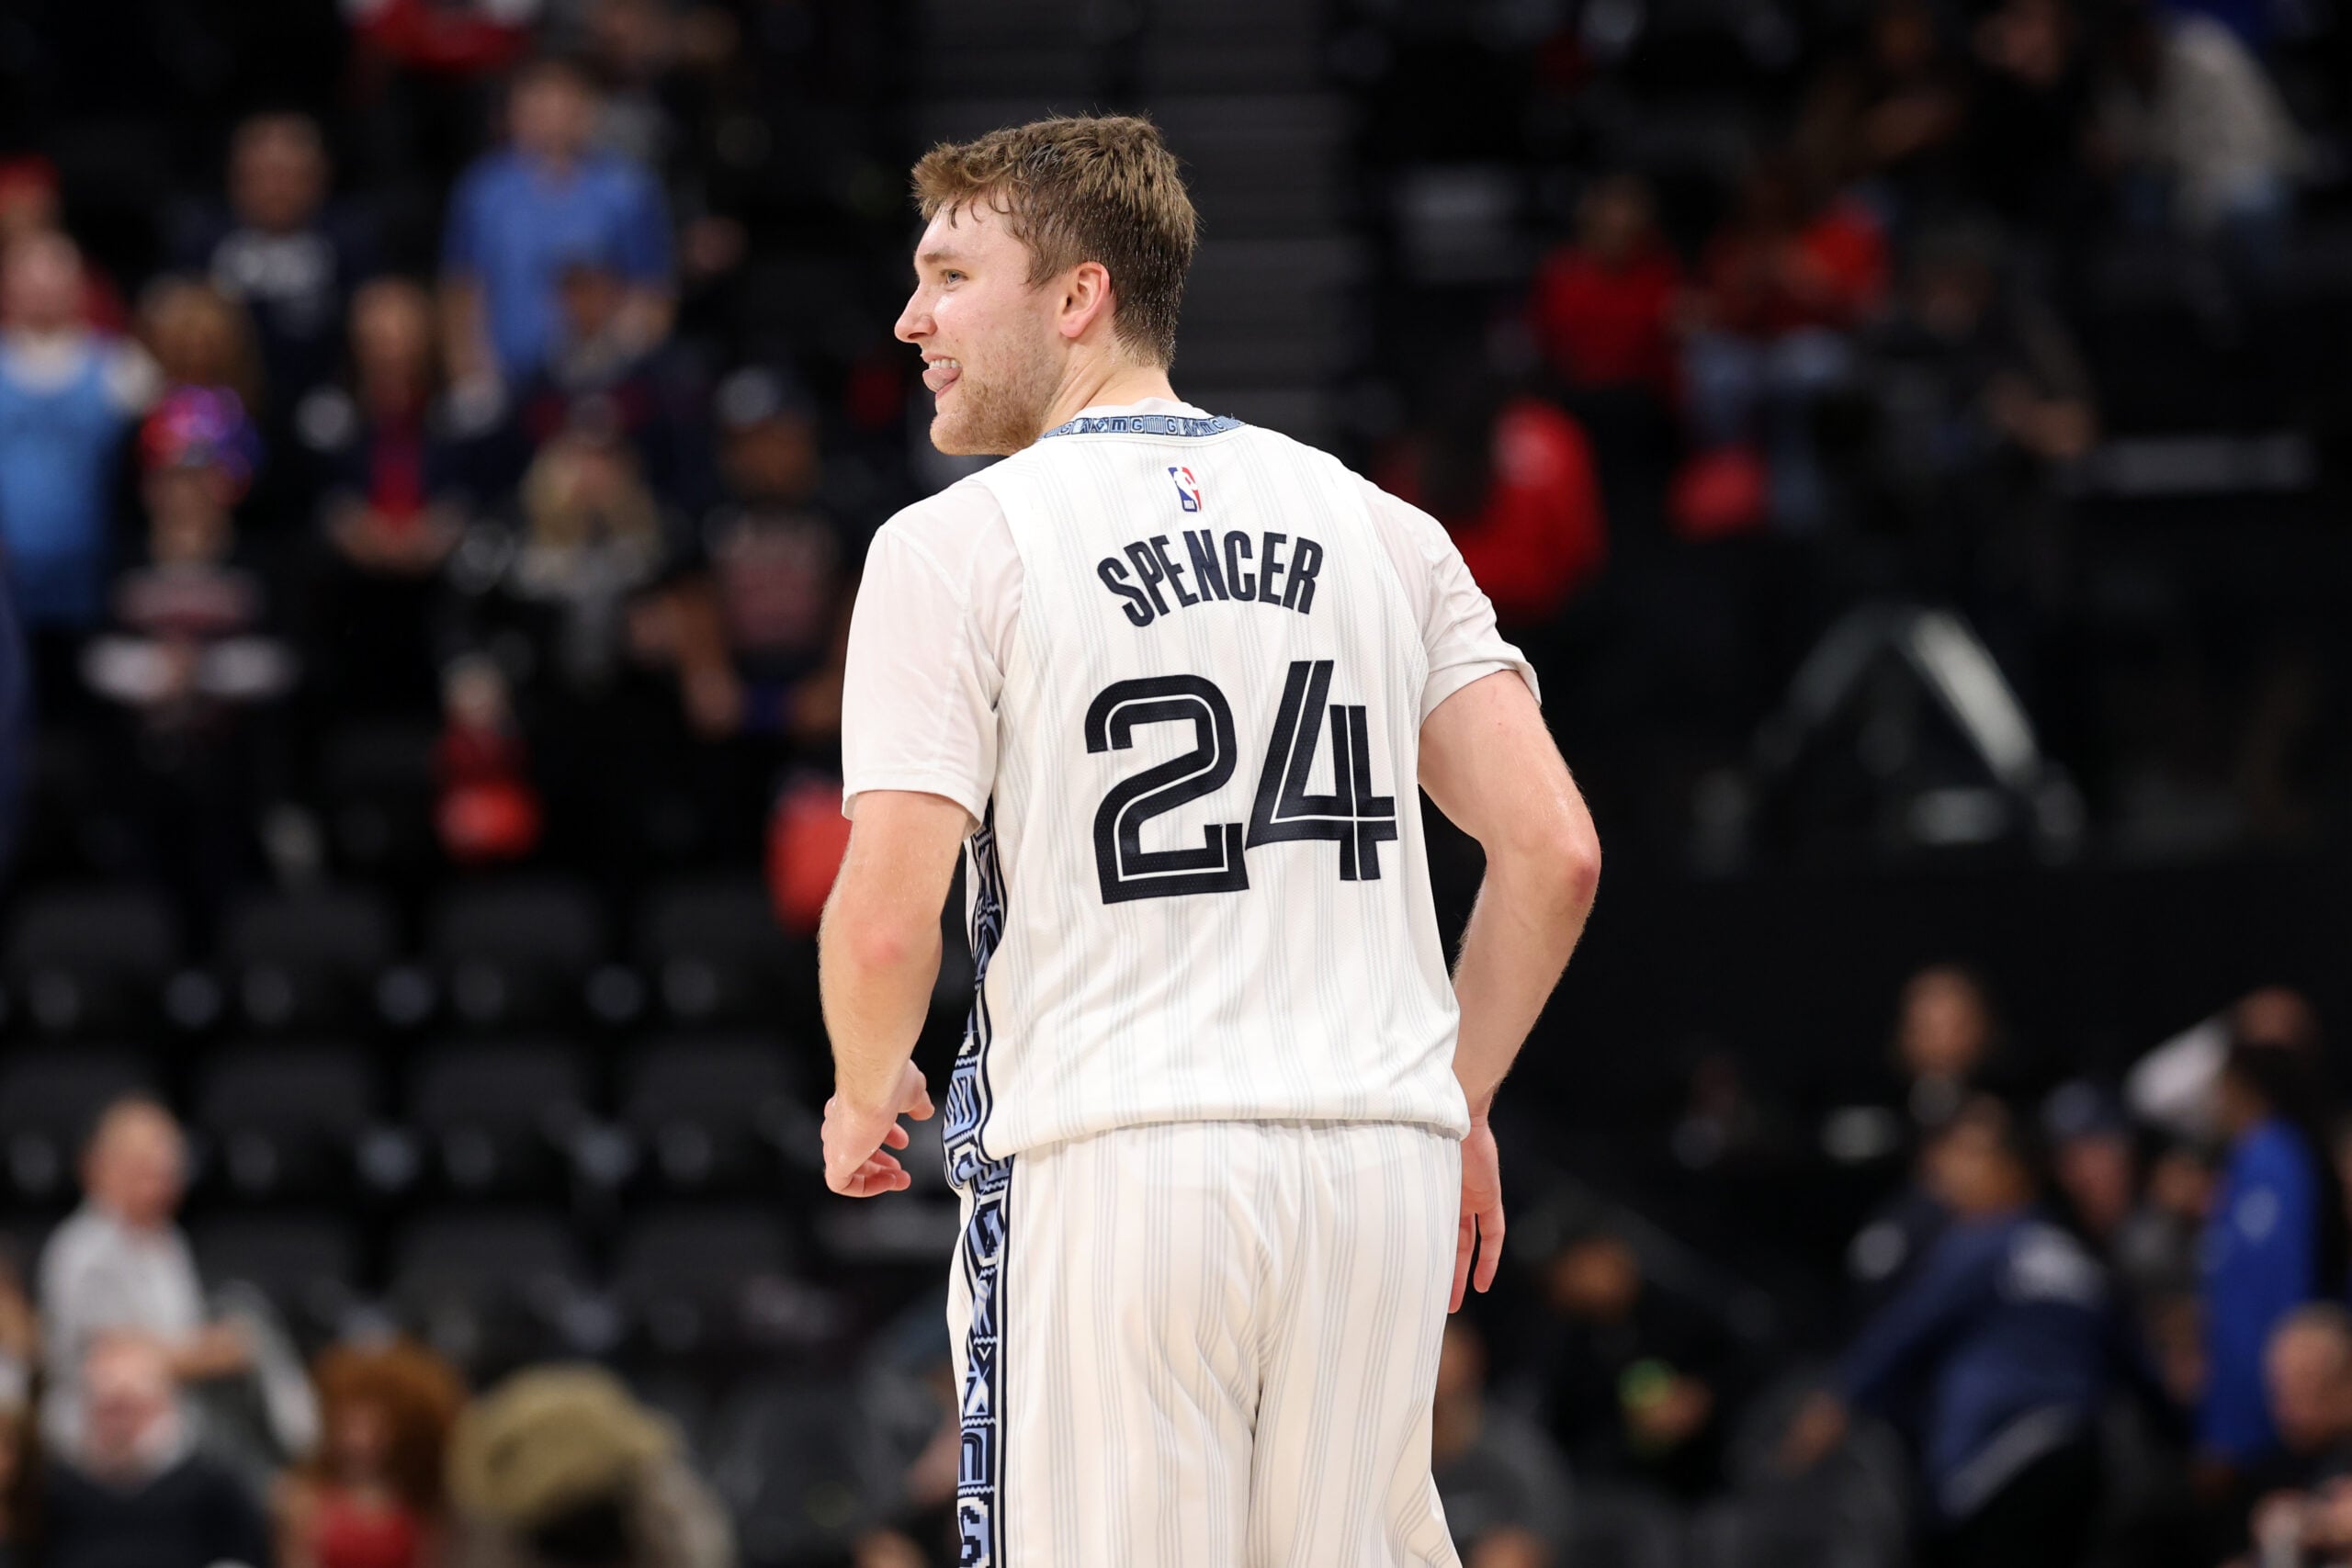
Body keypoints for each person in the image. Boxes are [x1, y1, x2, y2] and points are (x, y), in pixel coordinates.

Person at [818, 114, 1602, 1565]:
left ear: (1078, 296)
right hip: (1375, 1168)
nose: (911, 319)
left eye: (949, 277)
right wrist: (1456, 1096)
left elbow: (882, 920)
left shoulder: (955, 543)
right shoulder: (1385, 526)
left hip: (1114, 1163)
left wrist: (866, 1087)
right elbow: (1555, 851)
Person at [1781, 1098, 2113, 1568]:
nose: (1958, 1174)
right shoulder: (2075, 1255)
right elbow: (2131, 1357)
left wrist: (1837, 1399)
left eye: (1976, 1159)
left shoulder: (1981, 1243)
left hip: (1998, 1461)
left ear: (2015, 1172)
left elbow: (1905, 1330)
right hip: (2082, 1454)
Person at [439, 54, 674, 389]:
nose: (551, 117)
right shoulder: (483, 190)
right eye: (538, 103)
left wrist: (616, 357)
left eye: (563, 102)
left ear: (588, 109)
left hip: (601, 379)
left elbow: (651, 292)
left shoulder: (627, 189)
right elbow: (462, 289)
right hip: (503, 382)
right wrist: (471, 376)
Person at [37, 1099, 251, 1454]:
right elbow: (115, 1361)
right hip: (98, 1445)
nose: (161, 1185)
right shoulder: (86, 1248)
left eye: (169, 1173)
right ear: (99, 1168)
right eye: (145, 1171)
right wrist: (212, 1352)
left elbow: (174, 1332)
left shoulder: (167, 1239)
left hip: (173, 1433)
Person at [0, 232, 156, 658]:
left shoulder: (124, 366)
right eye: (29, 281)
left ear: (78, 288)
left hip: (95, 573)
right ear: (8, 288)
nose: (41, 292)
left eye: (53, 280)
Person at [2202, 1041, 2347, 1480]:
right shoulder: (2255, 1157)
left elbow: (2277, 1289)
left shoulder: (2272, 1156)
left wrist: (2235, 1423)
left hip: (2269, 1423)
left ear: (2241, 1088)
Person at [174, 113, 382, 416]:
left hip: (326, 398)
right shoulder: (204, 237)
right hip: (221, 401)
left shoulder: (348, 238)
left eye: (289, 176)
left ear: (320, 178)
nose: (275, 189)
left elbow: (373, 319)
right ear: (235, 178)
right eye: (262, 175)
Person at [40, 1336, 271, 1568]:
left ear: (162, 1405)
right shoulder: (55, 1488)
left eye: (129, 1407)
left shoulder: (214, 1486)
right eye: (107, 1408)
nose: (119, 1424)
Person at [274, 1339, 467, 1568]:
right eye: (348, 1425)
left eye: (375, 1428)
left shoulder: (422, 1501)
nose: (359, 1439)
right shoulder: (303, 1497)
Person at [1431, 1319, 1569, 1568]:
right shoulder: (1382, 1455)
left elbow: (1549, 1525)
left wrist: (1520, 1549)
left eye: (1439, 1351)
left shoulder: (1515, 1450)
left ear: (1468, 1356)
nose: (1428, 1366)